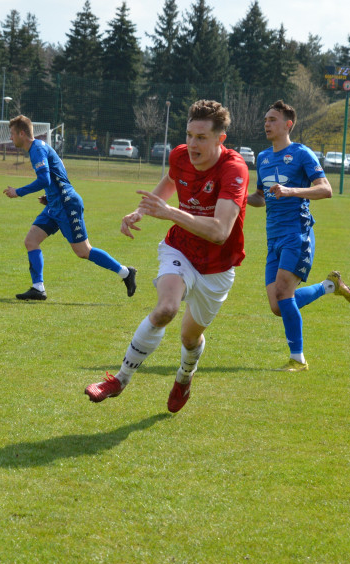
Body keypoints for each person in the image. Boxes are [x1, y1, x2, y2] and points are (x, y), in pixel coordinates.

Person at [84, 100, 246, 412]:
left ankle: (184, 377)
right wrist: (141, 210)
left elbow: (219, 232)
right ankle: (119, 379)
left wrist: (170, 212)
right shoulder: (179, 156)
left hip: (218, 267)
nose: (192, 144)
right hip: (180, 249)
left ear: (219, 139)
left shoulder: (234, 169)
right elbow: (171, 181)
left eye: (201, 137)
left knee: (189, 338)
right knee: (165, 310)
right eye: (189, 135)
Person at [246, 100, 350, 372]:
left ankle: (298, 359)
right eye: (266, 120)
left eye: (273, 119)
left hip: (298, 233)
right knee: (277, 305)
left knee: (284, 291)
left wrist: (292, 191)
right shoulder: (262, 158)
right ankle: (329, 287)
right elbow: (262, 197)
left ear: (288, 125)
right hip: (273, 238)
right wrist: (238, 199)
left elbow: (326, 189)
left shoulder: (302, 153)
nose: (267, 124)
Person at [3, 114, 136, 301]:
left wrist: (19, 191)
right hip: (56, 204)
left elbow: (44, 179)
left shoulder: (37, 150)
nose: (11, 138)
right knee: (31, 241)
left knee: (83, 251)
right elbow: (58, 174)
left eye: (12, 134)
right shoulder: (40, 148)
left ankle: (126, 273)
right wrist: (50, 197)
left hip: (66, 204)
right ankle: (38, 288)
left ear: (22, 133)